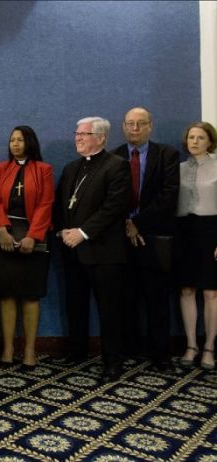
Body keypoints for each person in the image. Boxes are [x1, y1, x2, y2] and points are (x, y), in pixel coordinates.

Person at [53, 117, 131, 383]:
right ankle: (77, 351)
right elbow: (62, 203)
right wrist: (62, 230)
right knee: (75, 305)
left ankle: (113, 361)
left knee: (109, 309)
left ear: (101, 137)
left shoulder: (117, 166)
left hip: (104, 251)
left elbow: (114, 207)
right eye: (76, 133)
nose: (78, 138)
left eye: (84, 134)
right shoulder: (71, 167)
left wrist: (82, 233)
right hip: (71, 249)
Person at [110, 108, 179, 372]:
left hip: (154, 237)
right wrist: (127, 223)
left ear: (150, 126)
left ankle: (161, 354)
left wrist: (137, 223)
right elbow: (110, 198)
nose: (135, 128)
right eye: (130, 124)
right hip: (121, 237)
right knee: (125, 298)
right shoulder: (113, 157)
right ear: (123, 126)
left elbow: (168, 196)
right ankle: (129, 348)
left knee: (157, 298)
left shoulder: (167, 155)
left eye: (140, 124)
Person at [0, 126, 53, 370]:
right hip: (4, 237)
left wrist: (33, 236)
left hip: (32, 239)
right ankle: (7, 348)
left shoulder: (43, 169)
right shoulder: (1, 169)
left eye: (20, 140)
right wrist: (2, 230)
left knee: (30, 294)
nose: (15, 144)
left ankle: (29, 350)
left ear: (30, 142)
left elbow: (46, 203)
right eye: (12, 140)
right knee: (6, 294)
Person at [175, 121, 217, 370]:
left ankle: (210, 346)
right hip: (184, 231)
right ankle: (191, 345)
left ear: (210, 141)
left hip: (211, 230)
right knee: (187, 290)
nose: (195, 142)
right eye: (191, 137)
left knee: (211, 292)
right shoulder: (178, 169)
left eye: (201, 138)